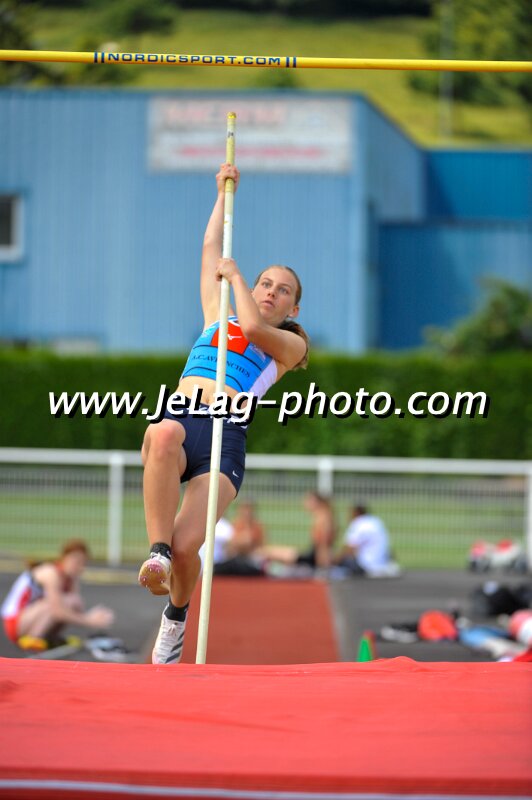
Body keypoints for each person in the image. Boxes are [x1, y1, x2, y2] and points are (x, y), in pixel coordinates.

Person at [138, 162, 309, 665]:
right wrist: (222, 192)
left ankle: (175, 618)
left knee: (190, 548)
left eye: (282, 290)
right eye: (264, 283)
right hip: (183, 415)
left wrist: (236, 278)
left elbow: (253, 330)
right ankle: (156, 552)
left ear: (293, 309)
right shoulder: (218, 314)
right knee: (162, 434)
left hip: (225, 437)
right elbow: (210, 247)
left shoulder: (290, 348)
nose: (270, 291)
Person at [1, 539, 114, 651]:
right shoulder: (51, 573)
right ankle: (34, 637)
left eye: (83, 563)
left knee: (72, 602)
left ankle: (49, 637)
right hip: (15, 622)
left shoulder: (70, 578)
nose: (79, 567)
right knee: (61, 603)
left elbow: (77, 608)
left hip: (30, 616)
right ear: (65, 558)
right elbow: (57, 611)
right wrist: (89, 621)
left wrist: (93, 615)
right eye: (76, 561)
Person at [258, 491, 336, 572]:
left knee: (272, 552)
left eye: (308, 500)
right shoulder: (323, 516)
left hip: (314, 559)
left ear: (316, 502)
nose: (304, 503)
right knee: (272, 551)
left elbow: (324, 545)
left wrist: (322, 568)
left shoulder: (324, 519)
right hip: (313, 555)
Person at [336, 504, 398, 577]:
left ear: (356, 512)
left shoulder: (358, 523)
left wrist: (334, 561)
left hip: (366, 566)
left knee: (343, 562)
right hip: (382, 564)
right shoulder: (376, 521)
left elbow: (349, 549)